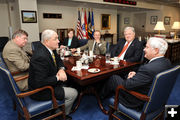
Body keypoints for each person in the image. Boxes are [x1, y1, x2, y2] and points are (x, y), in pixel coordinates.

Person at [100, 37, 171, 111]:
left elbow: (127, 85)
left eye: (147, 47)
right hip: (155, 96)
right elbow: (147, 76)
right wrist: (136, 73)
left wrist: (130, 78)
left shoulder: (148, 69)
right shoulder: (167, 62)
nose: (144, 49)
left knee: (114, 78)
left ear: (156, 51)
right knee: (123, 75)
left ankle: (100, 96)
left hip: (137, 100)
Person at [28, 29, 78, 119]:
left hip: (49, 81)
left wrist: (62, 69)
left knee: (70, 80)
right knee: (74, 93)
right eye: (55, 39)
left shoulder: (51, 49)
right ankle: (62, 115)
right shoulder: (40, 56)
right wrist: (58, 78)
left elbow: (59, 61)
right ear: (47, 41)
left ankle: (59, 107)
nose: (59, 41)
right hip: (42, 90)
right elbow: (40, 82)